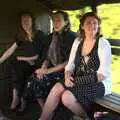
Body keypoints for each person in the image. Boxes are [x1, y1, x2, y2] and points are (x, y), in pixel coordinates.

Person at [39, 12, 112, 120]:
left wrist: (75, 81)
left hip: (99, 83)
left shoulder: (103, 43)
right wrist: (67, 75)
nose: (92, 26)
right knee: (57, 87)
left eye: (95, 23)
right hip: (78, 78)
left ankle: (86, 117)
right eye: (88, 23)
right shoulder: (78, 41)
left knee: (66, 97)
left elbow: (102, 75)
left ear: (98, 25)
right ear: (82, 26)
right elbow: (70, 65)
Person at [23, 11, 76, 113]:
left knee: (38, 80)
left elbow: (69, 61)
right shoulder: (51, 37)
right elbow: (47, 57)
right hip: (53, 68)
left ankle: (47, 111)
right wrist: (44, 67)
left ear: (66, 22)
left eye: (58, 20)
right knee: (33, 77)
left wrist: (48, 71)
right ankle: (45, 109)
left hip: (67, 72)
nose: (55, 23)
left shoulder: (72, 37)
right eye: (53, 20)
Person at [0, 11, 48, 111]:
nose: (25, 22)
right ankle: (18, 98)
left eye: (27, 20)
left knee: (17, 66)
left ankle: (19, 100)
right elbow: (10, 50)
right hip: (26, 64)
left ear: (32, 21)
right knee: (15, 65)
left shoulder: (39, 35)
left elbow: (37, 56)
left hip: (38, 64)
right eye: (23, 21)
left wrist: (22, 58)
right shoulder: (21, 36)